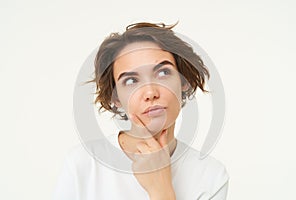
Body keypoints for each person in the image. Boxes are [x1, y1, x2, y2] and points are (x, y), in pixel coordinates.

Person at [54, 22, 229, 200]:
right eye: (131, 81)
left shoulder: (211, 175)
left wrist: (161, 190)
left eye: (163, 73)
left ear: (183, 82)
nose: (150, 93)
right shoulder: (82, 164)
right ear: (116, 99)